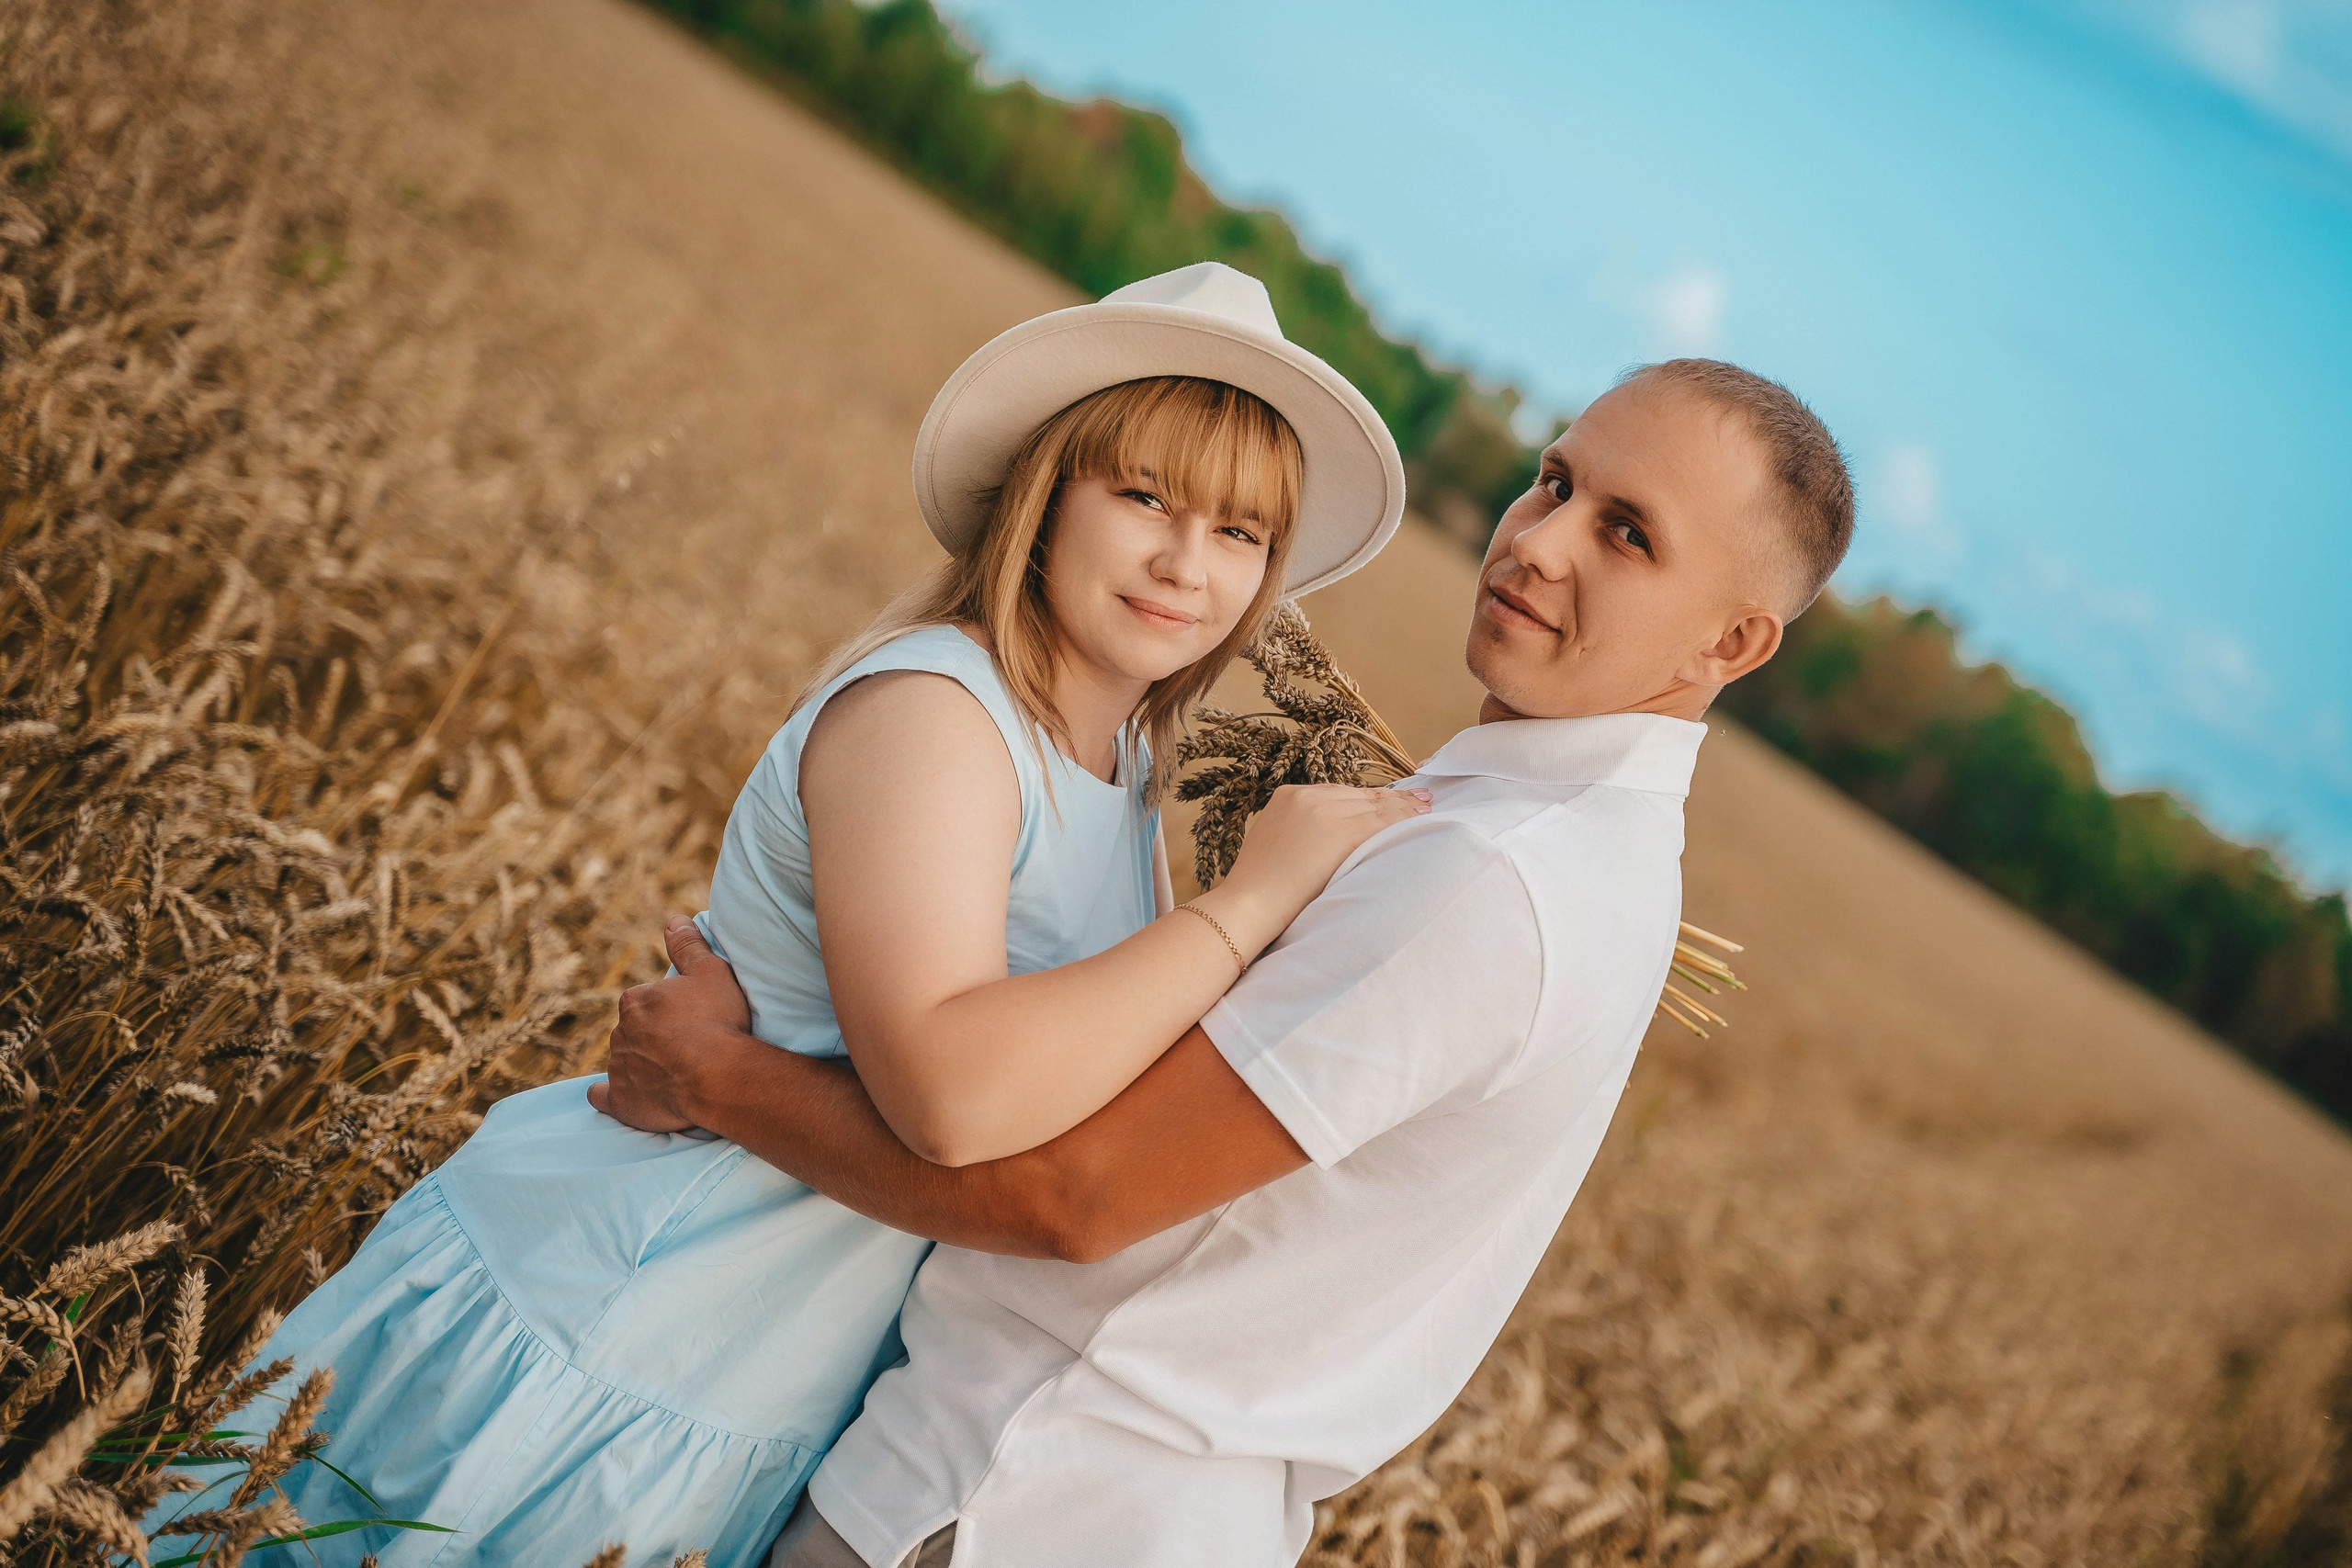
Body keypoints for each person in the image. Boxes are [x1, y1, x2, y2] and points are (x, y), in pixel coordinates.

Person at [150, 264, 1425, 1564]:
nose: (1183, 564)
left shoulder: (1132, 770)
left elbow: (1081, 1085)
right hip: (612, 1335)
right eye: (1143, 497)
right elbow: (953, 1098)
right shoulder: (938, 717)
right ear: (1045, 499)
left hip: (752, 1390)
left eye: (1240, 534)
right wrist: (1252, 904)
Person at [595, 357, 1857, 1568]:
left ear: (1731, 645)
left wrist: (717, 1077)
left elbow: (1072, 1198)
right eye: (1555, 479)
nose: (1539, 540)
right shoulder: (1584, 860)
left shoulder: (1488, 879)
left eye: (1628, 534)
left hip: (1009, 1498)